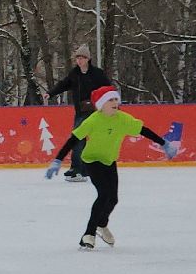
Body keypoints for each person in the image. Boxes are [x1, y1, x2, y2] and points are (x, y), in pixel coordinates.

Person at [46, 85, 176, 249]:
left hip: (109, 161)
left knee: (113, 199)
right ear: (101, 104)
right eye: (110, 100)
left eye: (116, 99)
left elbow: (143, 130)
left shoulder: (123, 119)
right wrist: (57, 160)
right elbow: (73, 140)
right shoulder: (92, 121)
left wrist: (164, 143)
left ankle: (101, 224)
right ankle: (88, 234)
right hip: (92, 160)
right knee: (103, 194)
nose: (115, 102)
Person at [44, 45, 112, 181]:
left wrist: (111, 106)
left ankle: (82, 169)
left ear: (88, 59)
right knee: (78, 138)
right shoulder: (74, 74)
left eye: (82, 58)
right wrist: (50, 93)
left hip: (95, 112)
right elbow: (63, 85)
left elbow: (108, 89)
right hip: (81, 112)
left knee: (84, 139)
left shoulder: (97, 74)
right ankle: (77, 167)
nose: (79, 60)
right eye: (78, 58)